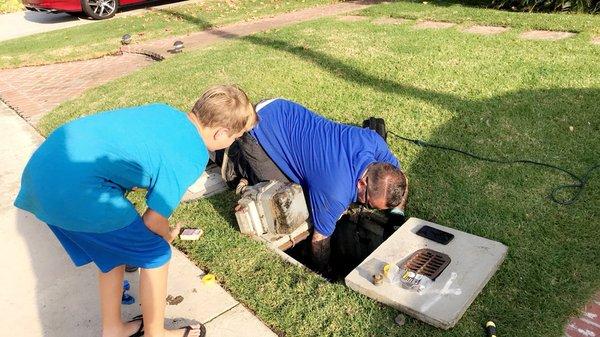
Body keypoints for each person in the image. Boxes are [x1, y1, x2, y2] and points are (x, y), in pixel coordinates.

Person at [14, 85, 257, 337]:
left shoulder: (165, 111)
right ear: (221, 133)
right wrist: (166, 235)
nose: (234, 142)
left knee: (112, 251)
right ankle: (156, 334)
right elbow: (153, 220)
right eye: (236, 137)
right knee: (156, 254)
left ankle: (114, 329)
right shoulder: (194, 153)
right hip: (76, 191)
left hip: (41, 174)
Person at [222, 98, 407, 272]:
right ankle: (237, 160)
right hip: (259, 126)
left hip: (281, 107)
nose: (365, 207)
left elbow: (402, 180)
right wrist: (324, 270)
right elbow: (319, 241)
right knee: (284, 194)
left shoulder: (373, 142)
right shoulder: (335, 192)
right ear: (361, 183)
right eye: (367, 203)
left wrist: (397, 215)